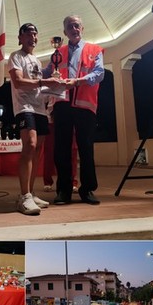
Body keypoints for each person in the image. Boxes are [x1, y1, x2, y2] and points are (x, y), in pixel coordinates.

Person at [43, 15, 105, 205]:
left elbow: (99, 73)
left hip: (85, 106)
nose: (74, 28)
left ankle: (87, 190)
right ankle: (63, 191)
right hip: (62, 104)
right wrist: (29, 71)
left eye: (76, 25)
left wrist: (77, 82)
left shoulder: (94, 50)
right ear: (64, 32)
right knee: (61, 149)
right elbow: (47, 73)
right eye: (70, 26)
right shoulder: (57, 51)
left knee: (86, 149)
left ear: (82, 28)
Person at [8, 23, 63, 215]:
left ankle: (31, 193)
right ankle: (23, 196)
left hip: (40, 108)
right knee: (29, 145)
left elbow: (39, 86)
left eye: (35, 34)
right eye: (28, 33)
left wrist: (57, 87)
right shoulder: (16, 56)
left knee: (38, 149)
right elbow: (18, 82)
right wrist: (44, 81)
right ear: (20, 38)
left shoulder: (38, 61)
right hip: (24, 107)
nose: (33, 37)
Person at [42, 96, 79, 193]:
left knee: (72, 150)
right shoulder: (49, 81)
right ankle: (47, 181)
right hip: (51, 120)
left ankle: (73, 182)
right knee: (49, 151)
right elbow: (43, 99)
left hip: (70, 117)